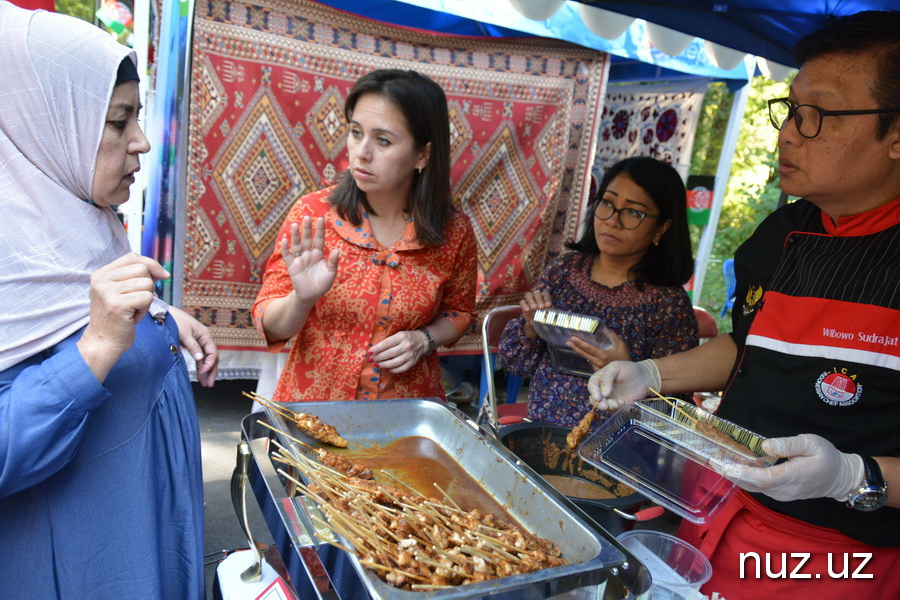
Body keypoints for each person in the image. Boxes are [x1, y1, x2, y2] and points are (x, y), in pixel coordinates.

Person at [589, 11, 900, 599]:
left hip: (846, 560)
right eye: (790, 110)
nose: (788, 134)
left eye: (819, 117)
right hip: (721, 510)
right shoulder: (782, 232)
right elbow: (749, 344)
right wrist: (651, 374)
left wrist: (855, 475)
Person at [0, 3, 219, 598]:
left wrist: (157, 317)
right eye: (118, 122)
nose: (142, 142)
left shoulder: (78, 220)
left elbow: (72, 301)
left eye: (137, 118)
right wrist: (95, 346)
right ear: (46, 125)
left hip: (143, 542)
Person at [253, 69, 477, 402]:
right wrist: (301, 300)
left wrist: (424, 339)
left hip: (405, 418)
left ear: (423, 155)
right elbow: (270, 326)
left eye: (383, 140)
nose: (362, 152)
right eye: (356, 133)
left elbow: (460, 312)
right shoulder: (313, 215)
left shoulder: (453, 231)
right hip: (315, 415)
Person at [498, 157, 698, 428]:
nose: (613, 220)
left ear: (661, 228)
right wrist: (532, 327)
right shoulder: (564, 271)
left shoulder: (668, 304)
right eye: (607, 203)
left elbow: (676, 412)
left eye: (633, 212)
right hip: (542, 434)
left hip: (616, 455)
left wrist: (631, 368)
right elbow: (515, 362)